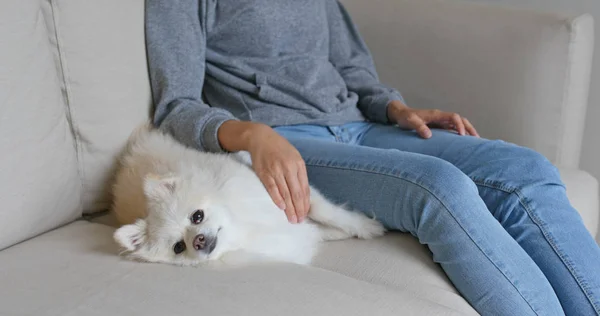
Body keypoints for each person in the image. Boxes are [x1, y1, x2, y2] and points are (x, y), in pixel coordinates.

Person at [144, 0, 600, 315]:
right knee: (439, 188)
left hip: (361, 125)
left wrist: (394, 107)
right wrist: (251, 135)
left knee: (526, 169)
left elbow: (352, 67)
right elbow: (175, 106)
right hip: (289, 143)